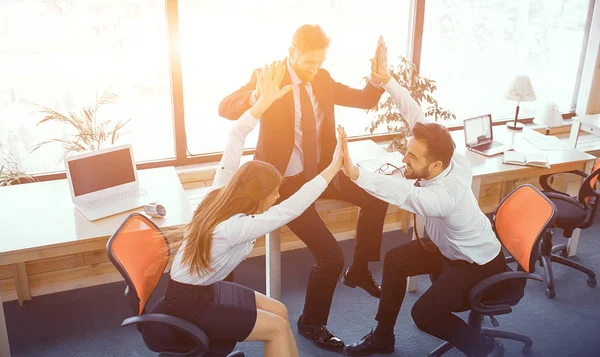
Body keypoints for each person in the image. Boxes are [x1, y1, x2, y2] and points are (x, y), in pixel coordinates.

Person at [218, 24, 389, 351]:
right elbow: (225, 107)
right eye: (310, 62)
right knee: (331, 257)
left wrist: (378, 77)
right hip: (285, 184)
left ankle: (361, 269)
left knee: (377, 197)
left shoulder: (321, 79)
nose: (316, 68)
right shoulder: (269, 76)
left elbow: (365, 100)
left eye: (321, 61)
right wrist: (258, 96)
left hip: (323, 173)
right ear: (292, 52)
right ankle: (311, 323)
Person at [164, 62, 345, 357]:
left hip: (205, 286)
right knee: (274, 329)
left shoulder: (220, 192)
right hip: (191, 303)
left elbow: (236, 136)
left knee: (280, 311)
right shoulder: (235, 226)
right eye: (273, 193)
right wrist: (334, 166)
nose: (276, 198)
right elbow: (293, 207)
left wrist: (263, 102)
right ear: (258, 197)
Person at [340, 39, 507, 357]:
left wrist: (356, 174)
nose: (405, 160)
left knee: (424, 315)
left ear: (436, 166)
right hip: (448, 247)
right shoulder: (447, 153)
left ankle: (486, 348)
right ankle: (383, 337)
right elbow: (414, 112)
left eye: (412, 158)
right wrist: (387, 79)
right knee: (396, 259)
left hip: (476, 264)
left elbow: (401, 193)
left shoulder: (444, 196)